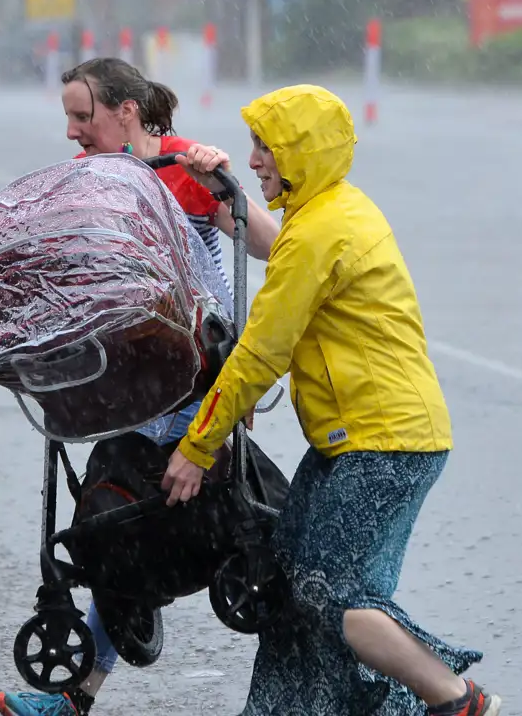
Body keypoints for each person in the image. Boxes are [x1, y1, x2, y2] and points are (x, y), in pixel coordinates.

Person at [159, 84, 504, 716]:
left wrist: (198, 446)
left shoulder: (317, 233)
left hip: (384, 443)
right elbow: (265, 243)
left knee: (332, 592)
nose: (257, 158)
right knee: (290, 585)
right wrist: (223, 188)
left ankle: (456, 700)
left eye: (266, 147)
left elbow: (261, 354)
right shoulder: (328, 211)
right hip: (360, 440)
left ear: (301, 152)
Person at [0, 58, 282, 716]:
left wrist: (224, 185)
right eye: (66, 116)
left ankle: (382, 669)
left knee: (128, 530)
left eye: (81, 115)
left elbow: (270, 246)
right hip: (130, 389)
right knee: (118, 528)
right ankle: (82, 681)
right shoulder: (91, 182)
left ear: (126, 112)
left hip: (192, 394)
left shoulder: (181, 168)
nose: (70, 130)